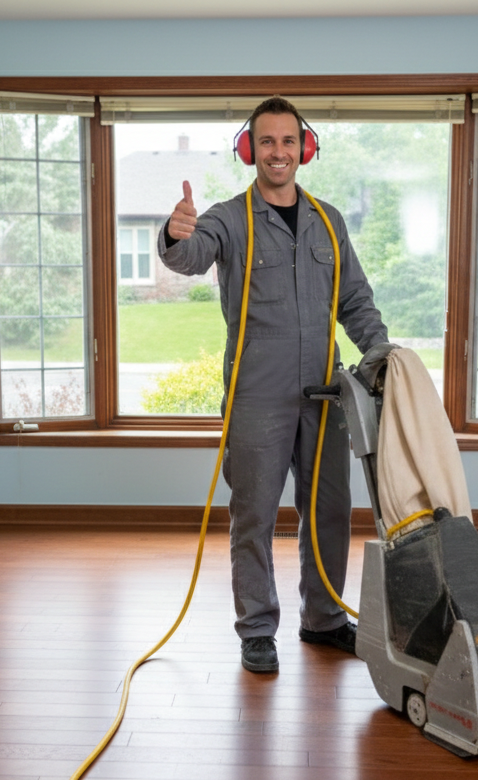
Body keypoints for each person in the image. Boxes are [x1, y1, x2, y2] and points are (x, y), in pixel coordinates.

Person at [158, 97, 388, 673]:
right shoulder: (228, 218)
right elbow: (189, 256)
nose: (278, 152)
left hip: (324, 393)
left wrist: (379, 349)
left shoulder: (328, 221)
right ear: (249, 149)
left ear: (303, 149)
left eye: (288, 141)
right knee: (255, 516)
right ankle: (257, 629)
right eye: (266, 142)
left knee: (330, 511)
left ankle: (324, 619)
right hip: (257, 396)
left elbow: (355, 299)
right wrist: (173, 232)